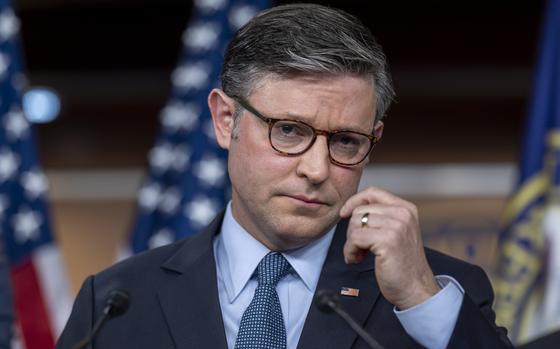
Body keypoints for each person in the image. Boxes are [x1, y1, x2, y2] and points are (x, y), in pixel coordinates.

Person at [57, 4, 513, 349]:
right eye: (289, 131)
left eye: (346, 142)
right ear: (224, 120)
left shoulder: (440, 294)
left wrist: (418, 296)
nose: (316, 170)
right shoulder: (117, 302)